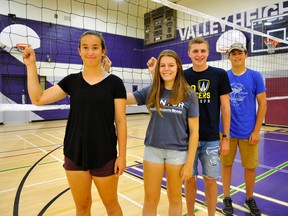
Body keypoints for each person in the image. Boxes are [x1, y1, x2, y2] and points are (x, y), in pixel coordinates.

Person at [22, 31, 127, 216]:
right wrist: (31, 66)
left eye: (95, 48)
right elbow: (38, 98)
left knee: (111, 205)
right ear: (79, 51)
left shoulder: (115, 83)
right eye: (85, 47)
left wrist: (123, 156)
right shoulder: (71, 81)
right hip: (74, 152)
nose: (90, 52)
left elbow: (120, 121)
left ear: (103, 51)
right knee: (82, 206)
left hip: (105, 153)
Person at [148, 37, 231, 215]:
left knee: (210, 180)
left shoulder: (219, 75)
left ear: (208, 52)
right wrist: (153, 73)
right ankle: (191, 213)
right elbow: (162, 91)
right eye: (195, 51)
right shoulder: (182, 75)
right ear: (189, 53)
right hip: (185, 140)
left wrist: (226, 137)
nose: (199, 55)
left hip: (211, 139)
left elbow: (225, 107)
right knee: (190, 180)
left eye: (202, 51)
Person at [128, 49, 199, 215]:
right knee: (150, 199)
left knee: (175, 198)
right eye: (163, 66)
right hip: (153, 150)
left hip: (178, 153)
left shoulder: (189, 94)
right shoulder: (152, 91)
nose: (167, 69)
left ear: (178, 67)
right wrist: (106, 74)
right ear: (158, 68)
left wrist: (189, 163)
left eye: (171, 65)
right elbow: (123, 98)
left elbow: (195, 131)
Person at [220, 43, 267, 216]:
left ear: (246, 55)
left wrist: (256, 131)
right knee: (226, 165)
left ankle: (249, 198)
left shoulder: (255, 76)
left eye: (240, 53)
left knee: (250, 167)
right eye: (233, 54)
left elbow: (263, 104)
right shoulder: (223, 77)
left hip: (248, 131)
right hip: (227, 131)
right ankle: (226, 197)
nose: (237, 56)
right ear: (229, 57)